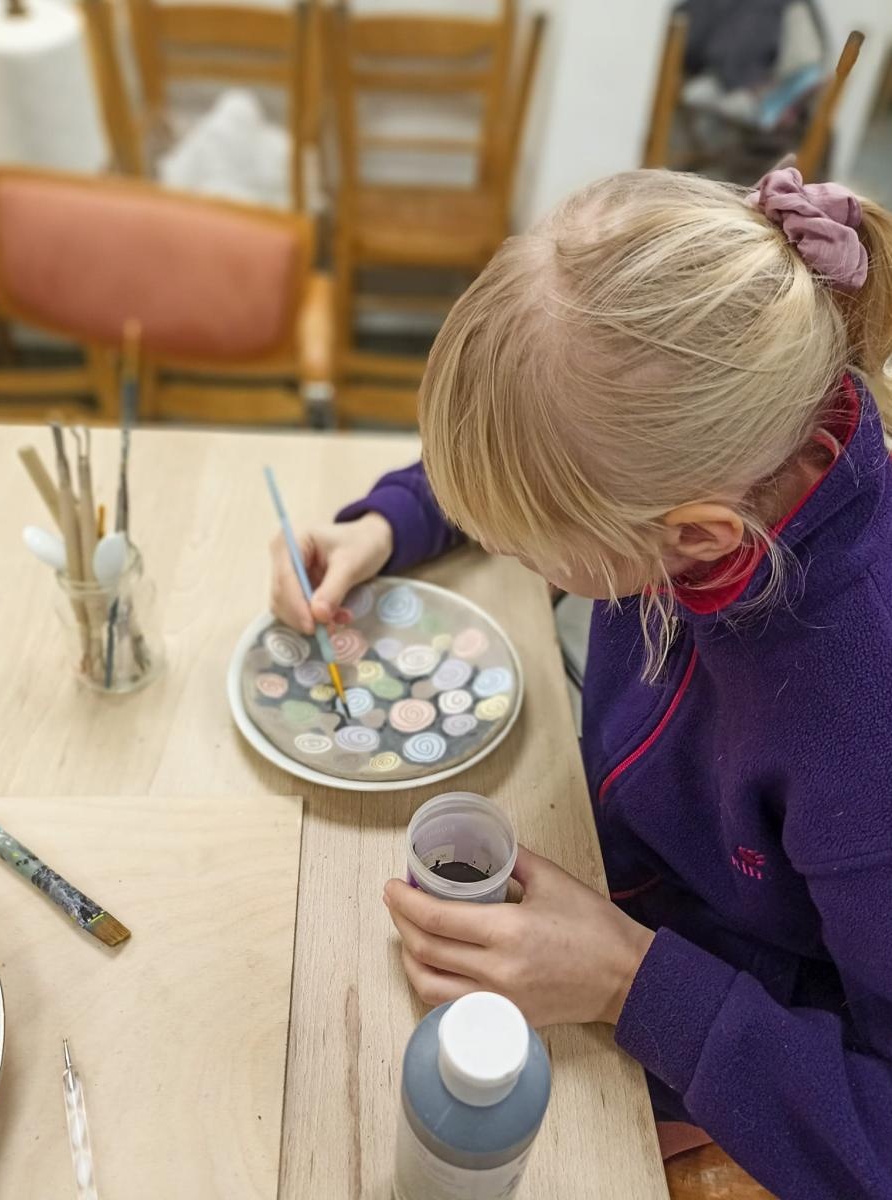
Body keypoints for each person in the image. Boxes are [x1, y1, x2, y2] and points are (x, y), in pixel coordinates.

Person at [270, 167, 892, 1199]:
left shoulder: (860, 731)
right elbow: (553, 458)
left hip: (731, 1043)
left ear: (693, 537)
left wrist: (629, 980)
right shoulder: (721, 456)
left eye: (536, 554)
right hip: (618, 890)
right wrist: (390, 522)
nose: (519, 557)